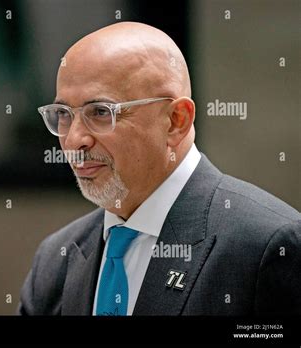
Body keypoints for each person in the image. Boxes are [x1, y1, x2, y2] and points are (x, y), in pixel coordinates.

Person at [18, 22, 300, 315]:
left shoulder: (267, 246)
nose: (75, 139)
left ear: (176, 120)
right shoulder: (55, 260)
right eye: (63, 114)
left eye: (100, 112)